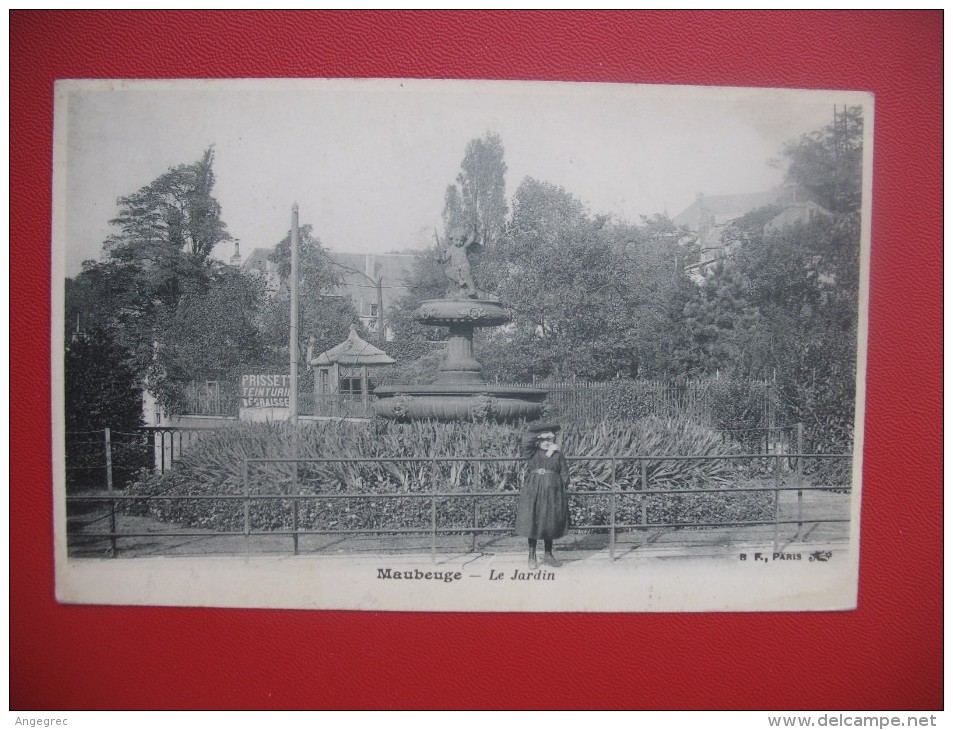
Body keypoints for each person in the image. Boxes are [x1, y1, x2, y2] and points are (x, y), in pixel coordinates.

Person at [516, 422, 570, 569]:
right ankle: (531, 556)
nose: (547, 443)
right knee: (532, 521)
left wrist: (561, 488)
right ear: (538, 441)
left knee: (550, 522)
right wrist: (539, 434)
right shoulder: (532, 452)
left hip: (553, 494)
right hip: (534, 491)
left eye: (550, 440)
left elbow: (564, 473)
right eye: (544, 439)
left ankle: (548, 555)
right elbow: (526, 440)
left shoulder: (558, 455)